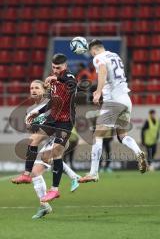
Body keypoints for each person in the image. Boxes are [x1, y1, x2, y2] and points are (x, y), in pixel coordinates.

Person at [79, 39, 148, 183]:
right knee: (122, 135)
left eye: (91, 54)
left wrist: (98, 92)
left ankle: (93, 173)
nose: (92, 56)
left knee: (97, 135)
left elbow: (103, 70)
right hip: (126, 100)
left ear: (93, 50)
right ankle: (138, 152)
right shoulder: (115, 55)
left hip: (113, 102)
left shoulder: (98, 58)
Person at [11, 79, 80, 218]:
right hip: (49, 140)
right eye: (31, 88)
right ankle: (45, 205)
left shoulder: (53, 103)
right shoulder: (31, 110)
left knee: (49, 157)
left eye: (37, 87)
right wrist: (32, 125)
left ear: (45, 90)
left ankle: (72, 179)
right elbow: (34, 131)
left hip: (60, 136)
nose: (33, 90)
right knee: (35, 173)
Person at [26, 53, 77, 202]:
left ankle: (56, 188)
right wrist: (38, 112)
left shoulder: (69, 78)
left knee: (54, 153)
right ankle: (28, 174)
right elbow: (53, 102)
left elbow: (73, 85)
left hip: (65, 122)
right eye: (54, 68)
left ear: (65, 66)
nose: (55, 70)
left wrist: (58, 78)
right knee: (38, 144)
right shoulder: (54, 82)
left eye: (58, 68)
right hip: (53, 121)